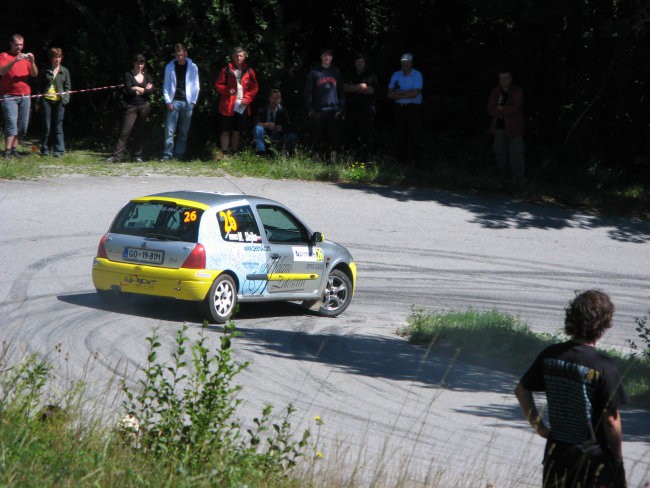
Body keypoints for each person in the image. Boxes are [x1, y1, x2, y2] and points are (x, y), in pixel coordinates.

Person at [515, 290, 628, 488]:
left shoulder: (551, 355)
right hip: (593, 461)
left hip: (557, 456)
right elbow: (611, 421)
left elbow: (521, 391)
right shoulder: (604, 367)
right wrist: (617, 462)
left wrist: (540, 427)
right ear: (603, 325)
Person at [107, 54, 154, 163]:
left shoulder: (147, 76)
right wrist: (142, 89)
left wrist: (137, 88)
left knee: (139, 132)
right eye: (138, 63)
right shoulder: (128, 75)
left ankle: (136, 156)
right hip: (130, 107)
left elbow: (151, 91)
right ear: (134, 63)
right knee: (125, 132)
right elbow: (129, 90)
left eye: (142, 63)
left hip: (143, 106)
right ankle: (116, 156)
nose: (140, 65)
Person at [214, 46, 259, 157]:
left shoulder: (249, 70)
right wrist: (227, 90)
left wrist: (247, 99)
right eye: (236, 56)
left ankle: (234, 153)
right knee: (225, 130)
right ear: (233, 57)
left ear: (244, 57)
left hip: (242, 105)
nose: (239, 58)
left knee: (236, 130)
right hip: (228, 105)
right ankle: (224, 154)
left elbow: (255, 88)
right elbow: (217, 85)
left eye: (241, 56)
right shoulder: (226, 69)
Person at [0, 34, 38, 159]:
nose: (19, 47)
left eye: (21, 45)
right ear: (11, 44)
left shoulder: (25, 59)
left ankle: (14, 149)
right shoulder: (4, 56)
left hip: (25, 95)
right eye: (17, 45)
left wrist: (32, 61)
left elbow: (34, 74)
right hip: (9, 95)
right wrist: (14, 60)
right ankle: (7, 151)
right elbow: (2, 71)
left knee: (22, 125)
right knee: (11, 122)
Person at [162, 43, 200, 161]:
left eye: (181, 55)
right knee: (169, 130)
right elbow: (166, 86)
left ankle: (179, 155)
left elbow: (196, 86)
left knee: (183, 131)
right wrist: (168, 101)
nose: (180, 57)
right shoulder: (169, 67)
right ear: (175, 55)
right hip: (174, 101)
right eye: (178, 55)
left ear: (185, 54)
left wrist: (193, 102)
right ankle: (167, 155)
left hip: (188, 102)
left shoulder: (193, 67)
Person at [305, 48, 345, 160]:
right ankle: (316, 160)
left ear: (332, 57)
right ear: (321, 57)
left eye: (329, 56)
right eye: (325, 55)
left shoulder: (336, 72)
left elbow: (341, 92)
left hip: (333, 110)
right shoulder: (314, 72)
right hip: (318, 110)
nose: (327, 58)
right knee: (317, 138)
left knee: (333, 138)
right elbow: (308, 92)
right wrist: (310, 110)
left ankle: (332, 161)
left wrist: (340, 109)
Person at [487, 70, 525, 182]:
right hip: (498, 127)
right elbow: (490, 110)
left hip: (515, 127)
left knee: (517, 154)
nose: (503, 81)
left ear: (511, 79)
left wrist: (501, 108)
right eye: (501, 78)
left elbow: (516, 108)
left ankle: (518, 180)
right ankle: (502, 178)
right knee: (500, 153)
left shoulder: (517, 91)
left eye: (506, 78)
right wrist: (505, 109)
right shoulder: (495, 92)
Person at [388, 53, 423, 165]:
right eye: (403, 62)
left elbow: (416, 93)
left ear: (412, 63)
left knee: (414, 135)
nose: (405, 64)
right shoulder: (396, 75)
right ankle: (401, 162)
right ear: (401, 63)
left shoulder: (417, 74)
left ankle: (417, 163)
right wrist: (407, 94)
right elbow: (389, 94)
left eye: (408, 62)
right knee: (400, 135)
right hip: (399, 108)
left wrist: (400, 94)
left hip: (413, 108)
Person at [343, 53, 377, 159]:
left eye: (361, 62)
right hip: (351, 109)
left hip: (366, 110)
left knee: (365, 135)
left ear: (365, 63)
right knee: (351, 134)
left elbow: (370, 90)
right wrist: (360, 86)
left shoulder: (371, 74)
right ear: (354, 63)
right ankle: (352, 158)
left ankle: (365, 159)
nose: (359, 64)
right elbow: (344, 88)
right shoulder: (349, 73)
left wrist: (353, 88)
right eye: (357, 62)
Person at [40, 47, 71, 157]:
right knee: (47, 127)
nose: (57, 59)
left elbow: (68, 88)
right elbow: (40, 87)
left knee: (58, 127)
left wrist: (65, 100)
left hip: (59, 101)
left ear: (61, 58)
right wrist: (38, 102)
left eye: (59, 57)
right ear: (51, 58)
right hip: (46, 100)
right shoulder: (45, 70)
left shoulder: (65, 71)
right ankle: (45, 150)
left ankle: (59, 150)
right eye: (55, 57)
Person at [253, 88, 297, 156]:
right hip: (265, 134)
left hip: (278, 135)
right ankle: (260, 153)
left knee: (292, 135)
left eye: (277, 98)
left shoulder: (283, 111)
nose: (274, 100)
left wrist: (281, 128)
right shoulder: (263, 109)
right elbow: (255, 122)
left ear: (280, 100)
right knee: (258, 128)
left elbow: (290, 126)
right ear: (269, 98)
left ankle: (287, 155)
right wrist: (267, 124)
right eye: (273, 98)